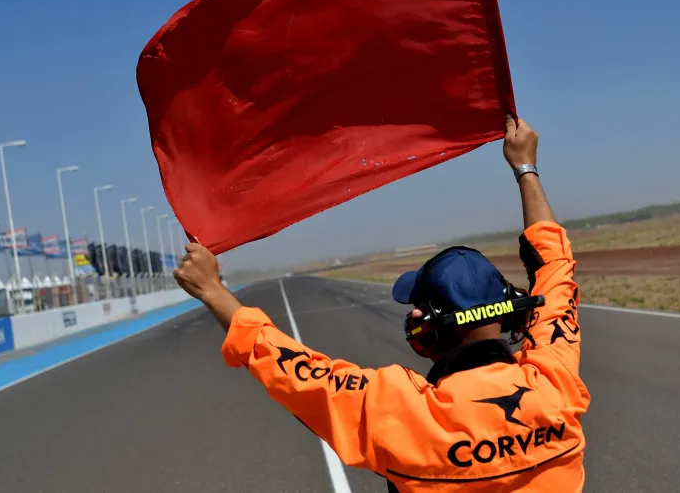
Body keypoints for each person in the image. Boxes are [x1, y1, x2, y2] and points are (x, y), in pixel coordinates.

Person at [175, 116, 590, 492]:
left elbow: (298, 373)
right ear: (509, 307)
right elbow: (554, 268)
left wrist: (213, 290)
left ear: (427, 321)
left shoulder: (403, 411)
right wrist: (525, 168)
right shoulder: (554, 382)